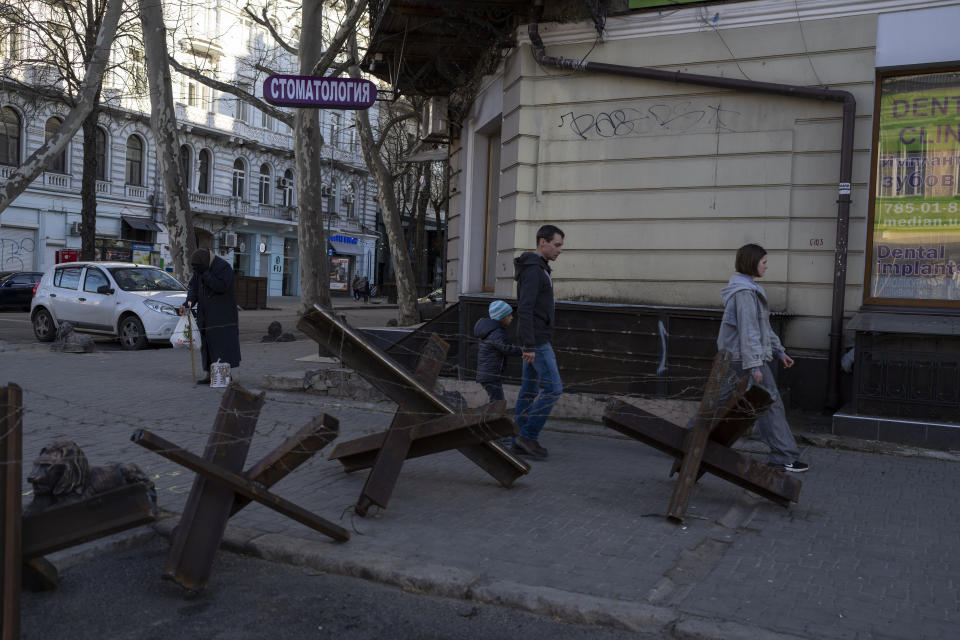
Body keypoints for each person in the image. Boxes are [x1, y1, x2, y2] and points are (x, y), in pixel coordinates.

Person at [717, 243, 808, 472]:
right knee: (770, 403)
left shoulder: (748, 289)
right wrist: (756, 365)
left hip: (738, 358)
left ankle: (689, 439)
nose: (767, 267)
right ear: (752, 262)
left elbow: (762, 328)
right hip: (745, 359)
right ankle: (783, 456)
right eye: (764, 262)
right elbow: (749, 332)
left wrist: (779, 351)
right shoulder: (745, 293)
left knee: (719, 403)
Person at [511, 224, 565, 460]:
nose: (559, 250)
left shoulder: (539, 267)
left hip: (535, 339)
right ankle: (528, 436)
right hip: (537, 342)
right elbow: (525, 308)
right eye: (557, 244)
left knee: (529, 389)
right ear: (542, 242)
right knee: (553, 389)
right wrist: (530, 345)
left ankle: (517, 437)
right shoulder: (534, 269)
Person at [179, 248, 241, 385]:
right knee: (206, 346)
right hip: (205, 316)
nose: (197, 271)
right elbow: (193, 291)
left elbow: (221, 287)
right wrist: (187, 305)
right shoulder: (199, 270)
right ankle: (209, 374)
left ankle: (224, 375)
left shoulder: (223, 267)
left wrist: (206, 275)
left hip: (222, 317)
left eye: (199, 269)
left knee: (222, 346)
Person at [474, 300, 523, 404]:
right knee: (498, 402)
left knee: (496, 401)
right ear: (502, 317)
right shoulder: (496, 332)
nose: (512, 317)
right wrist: (522, 351)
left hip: (489, 374)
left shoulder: (492, 330)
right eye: (509, 315)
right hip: (490, 375)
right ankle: (489, 419)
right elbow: (506, 348)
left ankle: (490, 418)